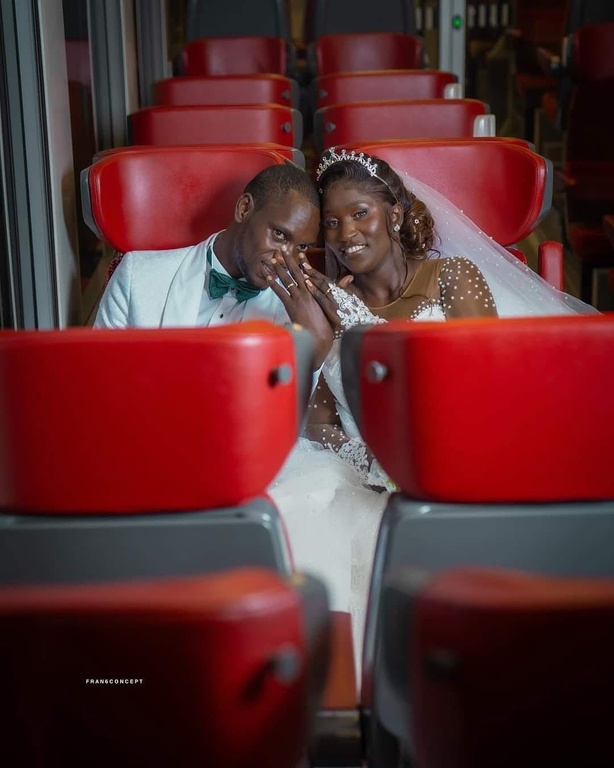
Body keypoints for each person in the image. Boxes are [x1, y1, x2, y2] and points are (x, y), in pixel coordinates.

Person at [268, 148, 599, 681]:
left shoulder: (451, 277)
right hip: (366, 479)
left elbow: (484, 387)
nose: (345, 233)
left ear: (394, 214)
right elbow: (319, 423)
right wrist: (369, 456)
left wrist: (360, 333)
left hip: (465, 460)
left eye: (359, 213)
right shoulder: (326, 304)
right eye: (330, 223)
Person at [94, 162, 335, 369]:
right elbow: (100, 378)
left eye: (302, 247)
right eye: (279, 235)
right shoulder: (137, 277)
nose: (285, 258)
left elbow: (292, 407)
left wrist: (313, 355)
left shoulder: (299, 317)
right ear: (244, 209)